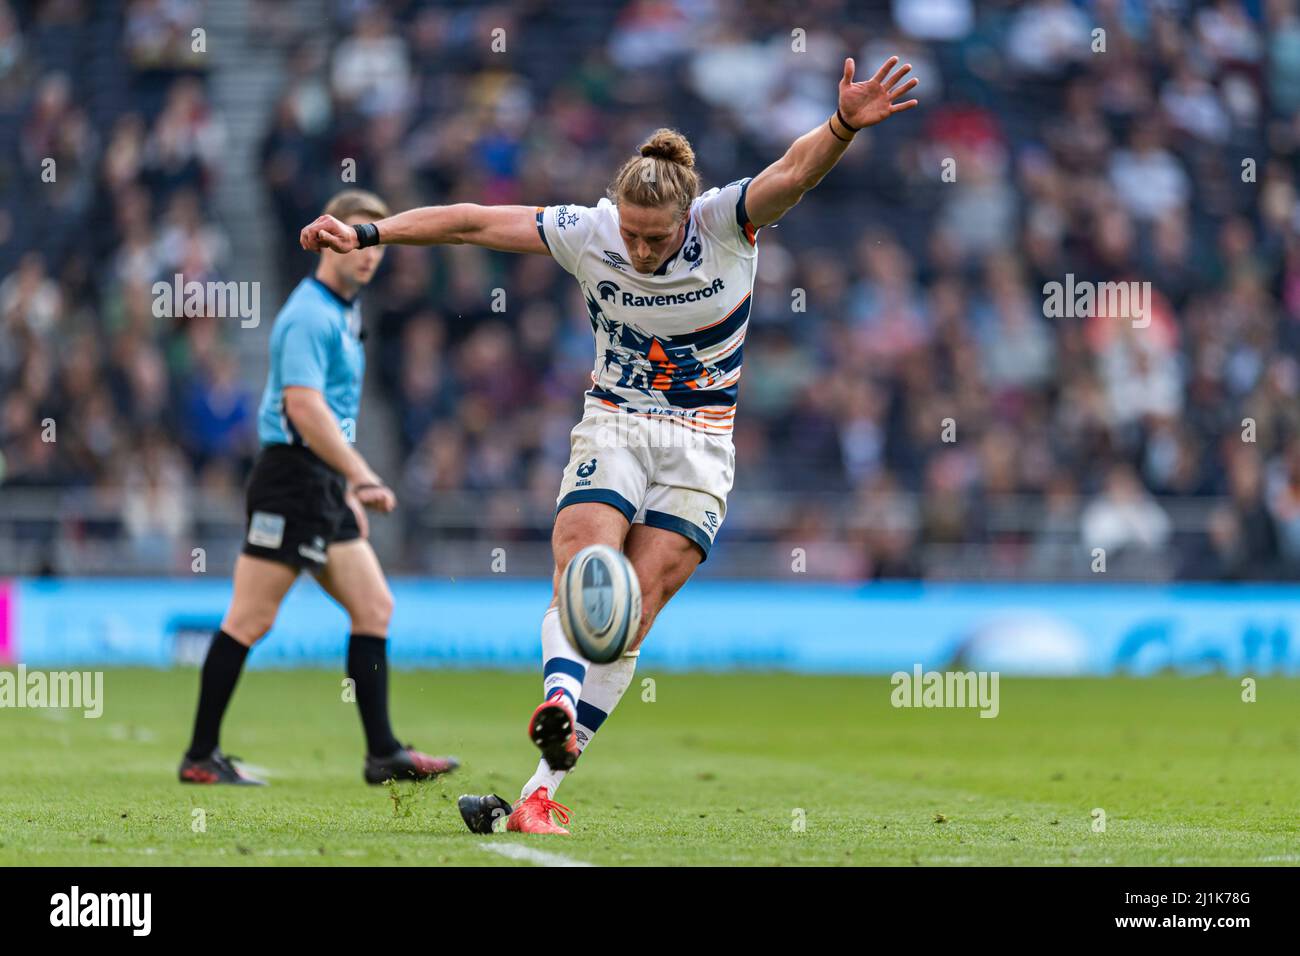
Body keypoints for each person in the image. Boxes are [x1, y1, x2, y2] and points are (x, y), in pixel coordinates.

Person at [300, 58, 919, 831]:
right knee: (584, 563)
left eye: (653, 236)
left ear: (686, 217)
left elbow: (794, 171)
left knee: (634, 611)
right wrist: (368, 230)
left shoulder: (728, 221)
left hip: (701, 445)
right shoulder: (589, 231)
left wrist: (845, 126)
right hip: (616, 425)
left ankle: (537, 795)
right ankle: (558, 695)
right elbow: (467, 220)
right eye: (628, 231)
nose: (637, 247)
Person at [179, 189, 458, 786]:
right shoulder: (309, 314)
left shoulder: (344, 312)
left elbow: (330, 411)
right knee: (250, 619)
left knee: (374, 606)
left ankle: (382, 752)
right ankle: (200, 756)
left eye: (373, 243)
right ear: (328, 237)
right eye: (353, 237)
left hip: (322, 483)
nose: (366, 253)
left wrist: (346, 490)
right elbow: (303, 409)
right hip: (292, 479)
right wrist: (359, 474)